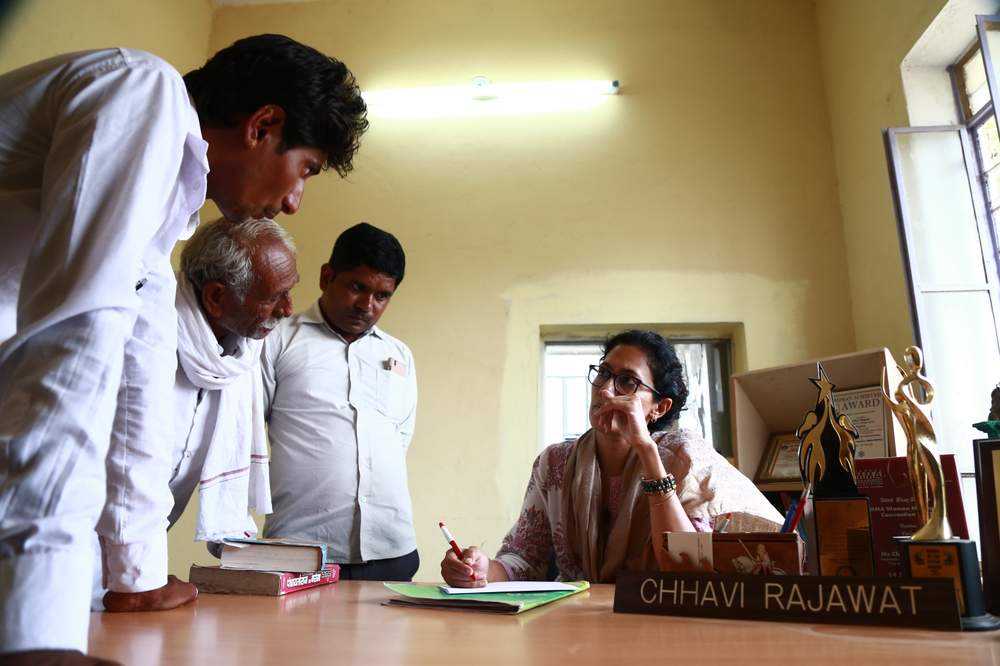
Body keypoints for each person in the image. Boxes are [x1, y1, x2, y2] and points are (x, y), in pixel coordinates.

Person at [0, 35, 366, 662]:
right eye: (304, 168)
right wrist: (38, 637)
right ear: (263, 124)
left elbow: (134, 385)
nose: (294, 201)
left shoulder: (169, 204)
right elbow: (72, 348)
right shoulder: (143, 92)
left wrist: (135, 578)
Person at [441, 330, 784, 587]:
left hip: (665, 622)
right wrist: (482, 568)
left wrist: (647, 451)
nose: (605, 390)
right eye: (604, 374)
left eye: (627, 382)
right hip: (576, 626)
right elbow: (525, 559)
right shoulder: (556, 463)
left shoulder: (683, 458)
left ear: (659, 407)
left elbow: (688, 564)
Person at [261, 223, 419, 581]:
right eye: (357, 287)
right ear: (326, 276)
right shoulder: (278, 340)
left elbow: (399, 437)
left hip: (390, 550)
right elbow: (245, 437)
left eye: (382, 295)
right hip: (301, 550)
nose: (367, 305)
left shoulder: (399, 355)